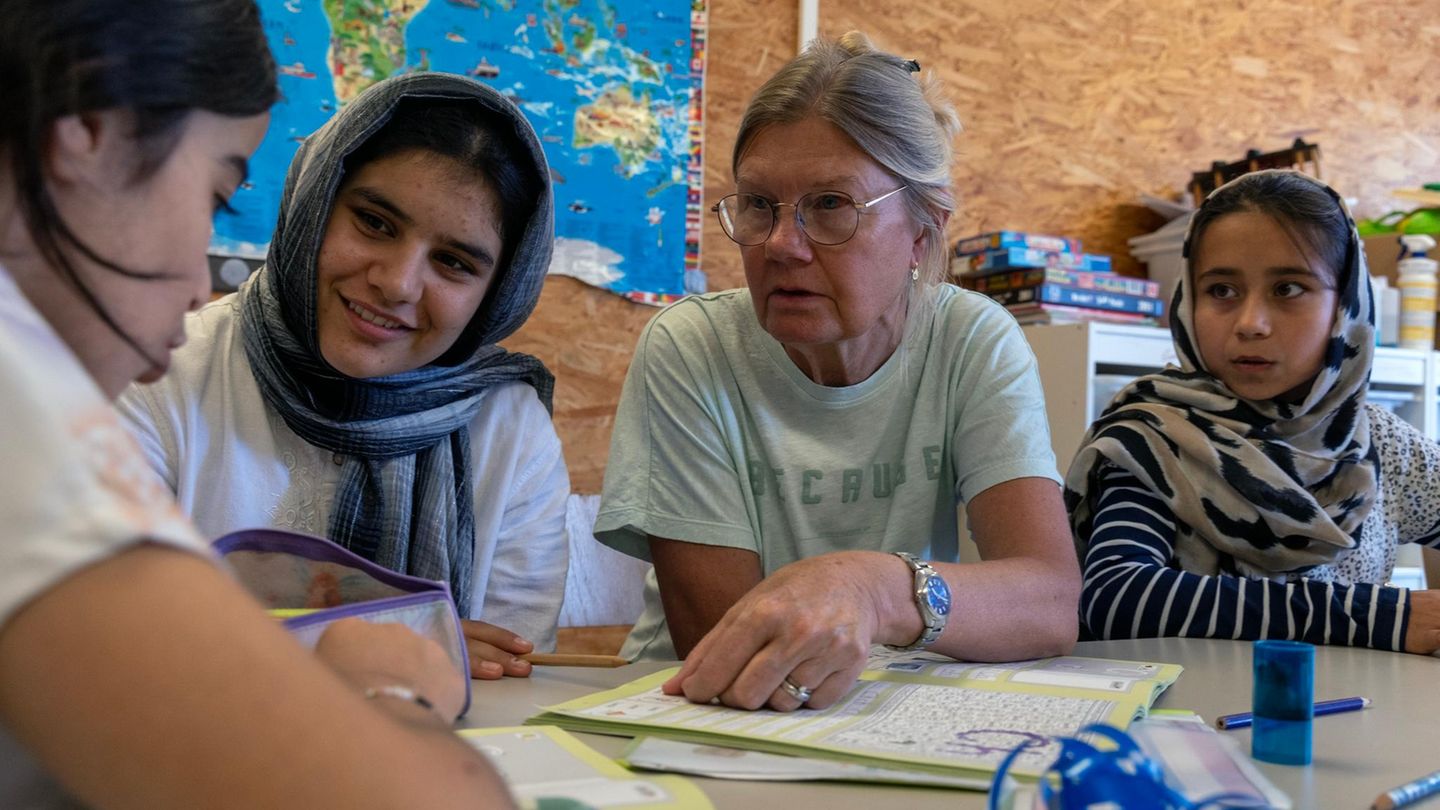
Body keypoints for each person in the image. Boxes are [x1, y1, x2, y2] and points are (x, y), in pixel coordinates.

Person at [0, 1, 514, 807]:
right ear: (87, 135)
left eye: (454, 263)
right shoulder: (17, 401)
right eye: (215, 195)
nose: (197, 280)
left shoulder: (508, 414)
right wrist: (390, 691)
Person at [594, 32, 1081, 711]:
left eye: (830, 205)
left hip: (882, 708)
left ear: (923, 231)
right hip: (702, 713)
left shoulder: (972, 340)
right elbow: (725, 645)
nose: (781, 245)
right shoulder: (693, 346)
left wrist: (876, 589)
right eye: (758, 204)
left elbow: (1050, 603)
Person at [117, 72, 570, 679]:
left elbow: (503, 671)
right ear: (314, 205)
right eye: (375, 223)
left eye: (453, 262)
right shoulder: (162, 378)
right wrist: (384, 647)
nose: (398, 283)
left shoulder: (511, 432)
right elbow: (102, 642)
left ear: (497, 294)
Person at [1066, 169, 1440, 655]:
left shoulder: (1381, 442)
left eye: (1287, 289)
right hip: (1189, 702)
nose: (1250, 323)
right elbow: (1118, 599)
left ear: (1346, 306)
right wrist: (1377, 617)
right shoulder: (1159, 434)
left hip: (1349, 701)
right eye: (1222, 290)